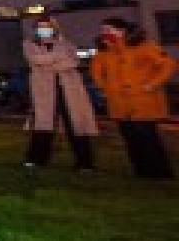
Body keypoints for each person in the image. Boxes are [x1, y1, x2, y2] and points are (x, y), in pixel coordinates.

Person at [91, 18, 177, 179]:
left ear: (122, 30)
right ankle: (142, 172)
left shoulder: (144, 46)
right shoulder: (104, 51)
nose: (104, 33)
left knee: (148, 138)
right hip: (119, 103)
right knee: (130, 138)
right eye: (103, 30)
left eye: (108, 29)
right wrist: (105, 87)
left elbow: (168, 65)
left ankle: (161, 173)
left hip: (142, 101)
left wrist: (151, 85)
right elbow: (96, 72)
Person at [22, 16, 98, 170]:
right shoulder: (29, 44)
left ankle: (85, 163)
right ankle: (36, 159)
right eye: (41, 27)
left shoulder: (66, 44)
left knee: (75, 125)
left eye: (47, 26)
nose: (44, 30)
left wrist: (50, 62)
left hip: (70, 91)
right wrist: (59, 58)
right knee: (43, 125)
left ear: (54, 28)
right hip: (44, 91)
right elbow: (36, 59)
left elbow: (73, 62)